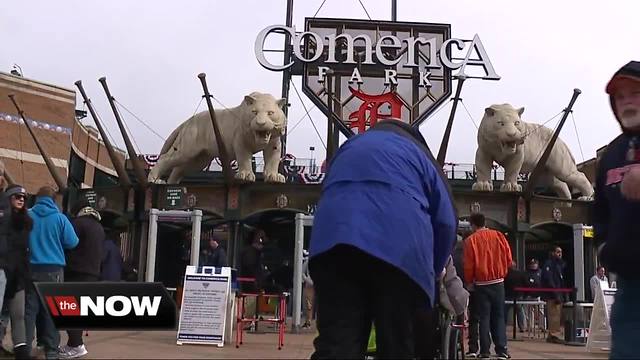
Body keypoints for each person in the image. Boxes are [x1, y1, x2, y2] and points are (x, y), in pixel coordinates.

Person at [308, 119, 458, 359]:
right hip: (401, 252)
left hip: (334, 245)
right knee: (397, 343)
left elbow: (328, 195)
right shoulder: (420, 154)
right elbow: (447, 222)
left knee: (336, 345)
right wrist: (434, 270)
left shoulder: (348, 147)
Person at [593, 60, 640, 359]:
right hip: (629, 286)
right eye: (620, 96)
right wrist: (604, 244)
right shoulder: (612, 154)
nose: (627, 102)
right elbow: (598, 211)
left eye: (635, 93)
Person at [25, 186, 79, 359]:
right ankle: (51, 351)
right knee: (50, 310)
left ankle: (24, 346)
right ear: (54, 200)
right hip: (53, 270)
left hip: (30, 268)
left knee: (29, 310)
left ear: (37, 199)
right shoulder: (60, 218)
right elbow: (73, 242)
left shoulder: (27, 215)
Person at [59, 200, 105, 359]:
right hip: (92, 273)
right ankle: (74, 344)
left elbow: (68, 243)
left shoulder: (78, 224)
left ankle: (76, 345)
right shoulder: (98, 227)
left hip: (76, 271)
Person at [463, 213, 512, 359]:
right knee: (499, 316)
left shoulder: (471, 241)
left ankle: (484, 351)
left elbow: (468, 265)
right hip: (498, 282)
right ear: (485, 222)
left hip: (481, 283)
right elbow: (509, 258)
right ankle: (502, 349)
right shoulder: (498, 236)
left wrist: (470, 281)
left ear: (473, 225)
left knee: (483, 317)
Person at [2, 185, 32, 359]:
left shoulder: (26, 222)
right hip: (2, 271)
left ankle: (21, 353)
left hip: (18, 274)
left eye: (23, 197)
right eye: (17, 196)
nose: (21, 199)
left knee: (18, 314)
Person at [541, 246, 566, 344]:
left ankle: (552, 334)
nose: (559, 254)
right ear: (553, 253)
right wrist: (555, 293)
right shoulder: (549, 264)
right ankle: (554, 334)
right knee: (554, 315)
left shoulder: (559, 265)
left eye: (561, 252)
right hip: (552, 294)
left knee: (557, 315)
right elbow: (549, 280)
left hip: (558, 293)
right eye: (558, 252)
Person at [504, 261, 528, 333]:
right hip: (518, 295)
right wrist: (524, 294)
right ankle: (522, 327)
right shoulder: (520, 274)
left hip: (508, 295)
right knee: (520, 311)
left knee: (505, 312)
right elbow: (525, 284)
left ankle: (503, 327)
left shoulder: (506, 274)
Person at [301, 250, 314, 329]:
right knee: (308, 304)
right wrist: (307, 279)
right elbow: (302, 272)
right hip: (309, 283)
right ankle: (308, 321)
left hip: (320, 283)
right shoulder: (308, 261)